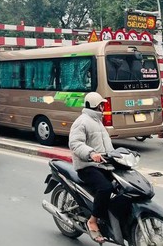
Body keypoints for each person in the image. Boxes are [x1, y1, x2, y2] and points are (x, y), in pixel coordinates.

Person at [69, 92, 115, 244]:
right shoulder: (82, 121)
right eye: (101, 104)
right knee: (105, 188)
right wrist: (91, 153)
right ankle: (93, 221)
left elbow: (105, 144)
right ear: (95, 105)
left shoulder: (98, 120)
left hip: (103, 164)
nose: (104, 107)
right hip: (86, 166)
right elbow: (75, 144)